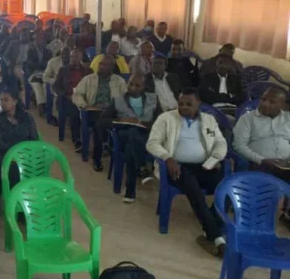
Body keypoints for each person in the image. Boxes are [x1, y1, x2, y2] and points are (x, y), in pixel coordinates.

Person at [146, 88, 228, 257]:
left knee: (227, 187)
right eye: (181, 103)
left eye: (189, 104)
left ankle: (209, 228)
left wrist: (214, 159)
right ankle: (216, 236)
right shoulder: (166, 118)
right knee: (192, 186)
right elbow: (152, 143)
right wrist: (167, 158)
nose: (183, 107)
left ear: (198, 103)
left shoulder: (209, 120)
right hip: (176, 167)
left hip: (204, 166)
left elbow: (220, 143)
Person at [98, 75, 158, 202]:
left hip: (145, 135)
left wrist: (144, 123)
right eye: (131, 84)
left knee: (130, 147)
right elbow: (102, 121)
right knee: (131, 133)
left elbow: (161, 121)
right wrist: (121, 119)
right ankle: (142, 167)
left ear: (143, 87)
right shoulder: (118, 100)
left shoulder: (153, 99)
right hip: (123, 135)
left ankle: (130, 190)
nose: (133, 88)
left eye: (137, 85)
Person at [72, 55, 128, 171]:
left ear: (112, 67)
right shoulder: (89, 79)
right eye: (101, 64)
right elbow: (77, 94)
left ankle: (119, 153)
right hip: (93, 111)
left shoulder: (119, 81)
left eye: (106, 65)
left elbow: (126, 98)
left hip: (112, 112)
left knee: (118, 125)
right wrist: (85, 105)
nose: (102, 66)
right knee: (99, 122)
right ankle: (97, 157)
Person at [233, 87, 290, 178]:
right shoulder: (247, 119)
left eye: (271, 102)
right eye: (263, 99)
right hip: (260, 166)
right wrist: (261, 160)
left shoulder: (288, 118)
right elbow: (239, 145)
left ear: (282, 105)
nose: (265, 104)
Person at [0, 89, 39, 195]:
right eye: (1, 100)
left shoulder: (27, 118)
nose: (2, 103)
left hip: (26, 153)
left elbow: (34, 138)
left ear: (15, 101)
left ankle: (28, 194)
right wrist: (14, 154)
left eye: (6, 100)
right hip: (6, 154)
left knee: (34, 164)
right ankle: (15, 198)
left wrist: (23, 153)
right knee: (13, 168)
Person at [53, 49, 94, 150]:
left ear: (81, 58)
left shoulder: (88, 71)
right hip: (67, 98)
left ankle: (97, 141)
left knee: (92, 111)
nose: (73, 59)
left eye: (76, 57)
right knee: (74, 111)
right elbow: (56, 86)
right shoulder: (63, 70)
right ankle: (76, 140)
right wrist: (66, 95)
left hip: (83, 97)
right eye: (72, 56)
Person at [25, 31, 52, 114]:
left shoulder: (48, 51)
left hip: (44, 74)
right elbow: (30, 64)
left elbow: (49, 64)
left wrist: (41, 66)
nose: (37, 41)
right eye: (35, 39)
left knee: (45, 86)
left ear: (43, 40)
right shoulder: (30, 51)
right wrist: (41, 66)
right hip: (34, 73)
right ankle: (41, 106)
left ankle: (46, 105)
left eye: (39, 39)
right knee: (37, 86)